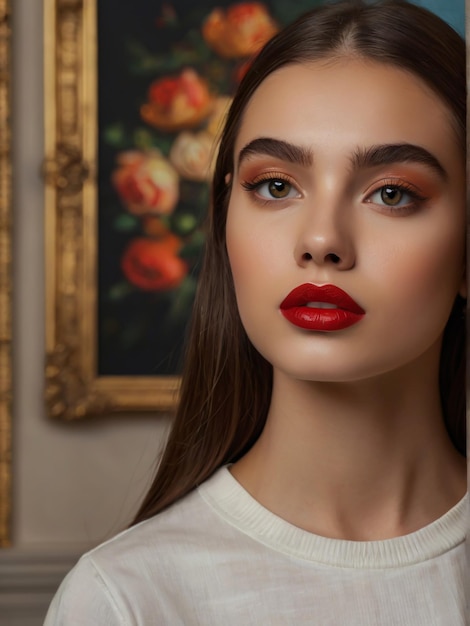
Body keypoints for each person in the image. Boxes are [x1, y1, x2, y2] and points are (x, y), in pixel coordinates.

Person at [45, 1, 467, 623]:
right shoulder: (124, 601)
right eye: (276, 186)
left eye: (391, 193)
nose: (321, 239)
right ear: (222, 219)